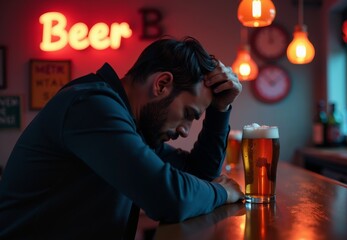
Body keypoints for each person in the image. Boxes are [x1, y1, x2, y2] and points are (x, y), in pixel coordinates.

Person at [0, 36, 244, 239]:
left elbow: (199, 174)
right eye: (188, 114)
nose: (185, 131)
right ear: (162, 84)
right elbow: (167, 198)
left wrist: (219, 110)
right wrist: (222, 192)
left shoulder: (134, 126)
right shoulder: (91, 106)